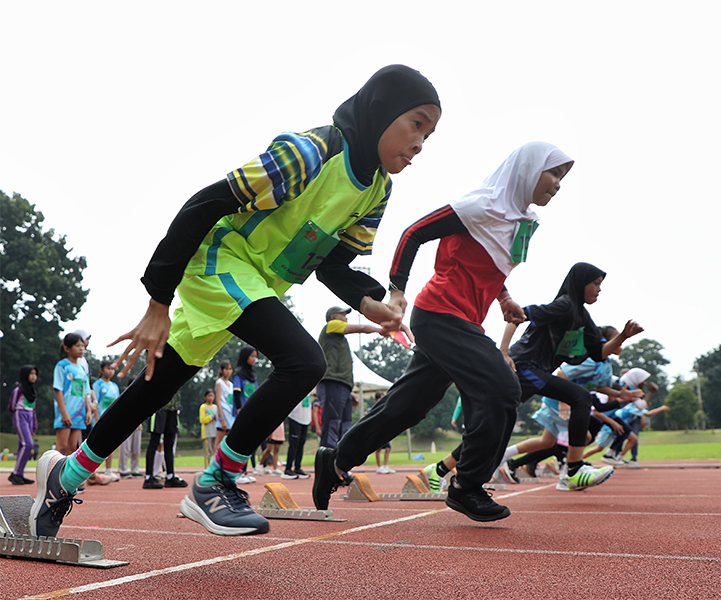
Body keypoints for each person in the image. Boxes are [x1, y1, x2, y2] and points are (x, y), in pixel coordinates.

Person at [30, 64, 441, 538]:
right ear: (380, 109)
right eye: (416, 124)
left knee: (159, 383)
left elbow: (334, 265)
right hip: (219, 260)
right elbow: (202, 205)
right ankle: (217, 480)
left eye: (429, 136)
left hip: (256, 284)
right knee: (304, 361)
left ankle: (64, 477)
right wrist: (157, 303)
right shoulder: (311, 152)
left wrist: (373, 305)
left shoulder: (377, 191)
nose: (419, 145)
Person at [313, 141, 574, 522]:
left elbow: (491, 263)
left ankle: (335, 460)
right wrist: (397, 292)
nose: (558, 184)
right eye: (554, 173)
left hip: (463, 321)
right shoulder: (482, 205)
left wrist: (504, 298)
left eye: (563, 177)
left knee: (407, 406)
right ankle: (467, 486)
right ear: (528, 170)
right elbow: (413, 233)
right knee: (503, 390)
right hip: (439, 315)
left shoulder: (524, 220)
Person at [499, 263, 644, 492]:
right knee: (580, 397)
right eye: (596, 283)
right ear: (580, 283)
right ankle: (573, 470)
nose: (599, 289)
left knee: (492, 423)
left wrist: (624, 336)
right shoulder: (565, 305)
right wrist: (504, 352)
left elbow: (598, 352)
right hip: (523, 365)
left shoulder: (581, 316)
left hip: (535, 372)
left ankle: (442, 469)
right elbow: (517, 315)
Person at [317, 306, 389, 448]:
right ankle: (326, 466)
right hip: (332, 383)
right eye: (342, 315)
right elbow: (361, 328)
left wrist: (349, 392)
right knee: (332, 424)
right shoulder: (331, 326)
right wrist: (379, 329)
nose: (346, 318)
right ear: (333, 317)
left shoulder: (339, 339)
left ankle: (339, 467)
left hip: (341, 385)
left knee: (345, 427)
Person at [52, 333, 93, 456]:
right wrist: (64, 413)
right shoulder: (62, 366)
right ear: (67, 349)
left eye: (82, 345)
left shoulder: (82, 369)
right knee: (61, 446)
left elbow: (85, 392)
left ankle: (66, 476)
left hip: (79, 413)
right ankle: (48, 473)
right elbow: (58, 390)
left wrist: (89, 410)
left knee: (72, 448)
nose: (81, 348)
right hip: (66, 412)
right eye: (77, 346)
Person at [142, 394, 188, 489]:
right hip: (158, 406)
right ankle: (149, 477)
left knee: (169, 444)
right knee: (154, 442)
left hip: (173, 407)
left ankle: (170, 476)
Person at [232, 347, 259, 484]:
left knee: (249, 443)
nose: (254, 359)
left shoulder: (253, 375)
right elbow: (237, 393)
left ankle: (244, 471)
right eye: (252, 356)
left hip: (252, 412)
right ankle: (237, 472)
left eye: (255, 356)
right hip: (241, 412)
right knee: (241, 442)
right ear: (244, 357)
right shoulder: (238, 374)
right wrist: (239, 410)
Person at [8, 365, 38, 485]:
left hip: (30, 416)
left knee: (24, 445)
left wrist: (34, 426)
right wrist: (19, 414)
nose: (33, 376)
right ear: (25, 375)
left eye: (35, 374)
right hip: (20, 415)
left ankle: (19, 474)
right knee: (28, 444)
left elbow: (34, 410)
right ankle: (16, 473)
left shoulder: (33, 392)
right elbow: (11, 406)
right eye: (31, 373)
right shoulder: (18, 390)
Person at [92, 361, 121, 481]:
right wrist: (97, 418)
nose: (110, 371)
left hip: (112, 420)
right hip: (98, 419)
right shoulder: (97, 384)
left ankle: (109, 470)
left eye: (112, 369)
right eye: (108, 368)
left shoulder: (115, 386)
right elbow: (95, 402)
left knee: (110, 445)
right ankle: (91, 471)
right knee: (94, 446)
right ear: (101, 370)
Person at [281, 393, 312, 479]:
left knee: (301, 443)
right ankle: (288, 469)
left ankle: (297, 468)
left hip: (306, 417)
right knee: (294, 443)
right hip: (295, 417)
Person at [370, 392, 395, 474]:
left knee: (388, 448)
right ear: (376, 399)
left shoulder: (385, 407)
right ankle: (379, 466)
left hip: (384, 430)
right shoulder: (375, 408)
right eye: (380, 398)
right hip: (377, 431)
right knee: (378, 449)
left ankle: (385, 465)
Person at [214, 360, 234, 451]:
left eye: (230, 369)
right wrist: (222, 419)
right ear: (221, 370)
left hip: (230, 414)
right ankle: (214, 463)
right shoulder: (219, 383)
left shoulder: (231, 384)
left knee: (227, 442)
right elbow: (218, 401)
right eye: (226, 369)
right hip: (222, 413)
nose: (228, 371)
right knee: (219, 441)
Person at [199, 389, 217, 467]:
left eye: (212, 396)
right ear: (205, 397)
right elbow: (202, 420)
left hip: (215, 432)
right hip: (207, 433)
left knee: (216, 451)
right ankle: (207, 468)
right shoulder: (203, 407)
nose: (210, 398)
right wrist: (212, 416)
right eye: (209, 396)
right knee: (207, 453)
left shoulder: (215, 407)